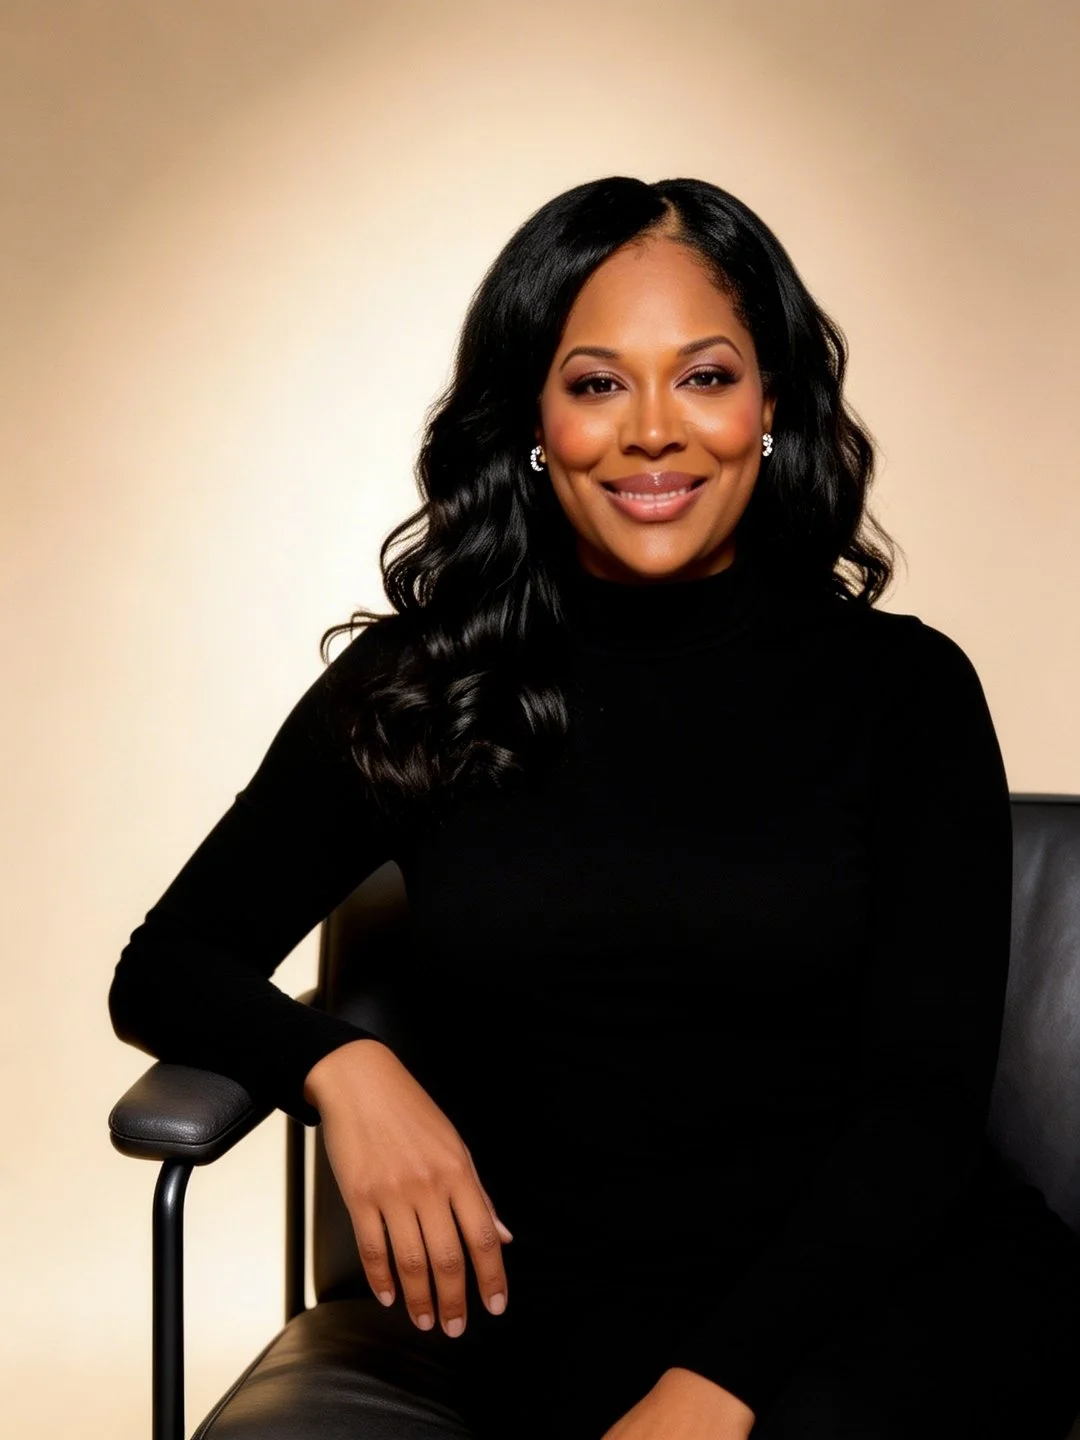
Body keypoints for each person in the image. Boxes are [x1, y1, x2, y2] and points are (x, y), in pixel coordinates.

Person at [109, 176, 1080, 1440]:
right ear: (532, 421)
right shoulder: (425, 688)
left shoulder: (903, 691)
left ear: (774, 406)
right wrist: (345, 1066)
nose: (655, 433)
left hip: (882, 1287)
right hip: (570, 1311)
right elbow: (167, 965)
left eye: (707, 377)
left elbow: (923, 1114)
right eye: (598, 382)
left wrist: (715, 1389)